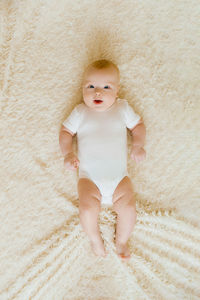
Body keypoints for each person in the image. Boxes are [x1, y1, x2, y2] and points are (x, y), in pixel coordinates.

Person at [59, 59, 146, 260]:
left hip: (119, 178)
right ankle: (94, 238)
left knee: (129, 208)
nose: (97, 92)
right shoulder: (81, 112)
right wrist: (68, 153)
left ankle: (122, 240)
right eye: (91, 87)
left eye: (106, 87)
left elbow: (138, 126)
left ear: (117, 91)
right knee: (88, 208)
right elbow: (65, 132)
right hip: (90, 179)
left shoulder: (122, 108)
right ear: (82, 89)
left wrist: (138, 145)